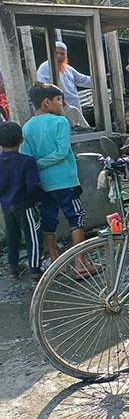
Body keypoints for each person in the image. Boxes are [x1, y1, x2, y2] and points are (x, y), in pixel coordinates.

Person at [21, 83, 90, 276]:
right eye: (58, 100)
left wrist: (37, 165)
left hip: (42, 184)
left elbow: (27, 158)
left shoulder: (26, 127)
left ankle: (55, 262)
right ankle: (80, 264)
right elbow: (60, 153)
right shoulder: (61, 122)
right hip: (65, 182)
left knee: (48, 222)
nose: (61, 103)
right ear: (46, 102)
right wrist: (42, 162)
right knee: (76, 218)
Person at [0, 121, 43, 286]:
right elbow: (32, 185)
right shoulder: (27, 161)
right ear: (22, 140)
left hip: (6, 206)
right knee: (33, 238)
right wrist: (39, 198)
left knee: (13, 237)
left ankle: (13, 269)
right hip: (25, 205)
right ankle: (35, 272)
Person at [36, 42, 92, 111]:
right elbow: (44, 89)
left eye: (62, 54)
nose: (59, 56)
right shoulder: (44, 68)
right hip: (58, 109)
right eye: (56, 53)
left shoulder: (68, 68)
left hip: (75, 108)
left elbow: (83, 80)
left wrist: (102, 79)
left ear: (66, 55)